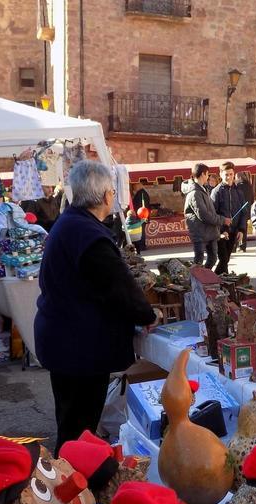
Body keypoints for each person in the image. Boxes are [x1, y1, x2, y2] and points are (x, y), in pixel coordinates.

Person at [35, 160, 158, 448]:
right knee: (79, 428)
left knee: (71, 421)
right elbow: (118, 287)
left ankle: (66, 478)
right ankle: (74, 484)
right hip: (79, 347)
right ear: (106, 196)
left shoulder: (71, 224)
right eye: (112, 193)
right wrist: (146, 314)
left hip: (65, 339)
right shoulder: (87, 234)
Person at [182, 163, 228, 269]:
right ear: (203, 174)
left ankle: (204, 279)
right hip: (200, 233)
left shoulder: (203, 189)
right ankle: (195, 282)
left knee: (213, 258)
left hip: (210, 232)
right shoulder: (194, 193)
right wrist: (222, 220)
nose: (208, 177)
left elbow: (210, 211)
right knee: (198, 262)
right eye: (207, 174)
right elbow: (204, 215)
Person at [211, 161, 250, 275]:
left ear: (234, 174)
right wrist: (222, 229)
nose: (229, 177)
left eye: (231, 174)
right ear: (221, 174)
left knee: (225, 261)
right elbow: (213, 214)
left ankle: (221, 281)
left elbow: (244, 212)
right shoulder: (216, 192)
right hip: (221, 233)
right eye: (226, 174)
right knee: (223, 259)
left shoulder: (239, 191)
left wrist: (242, 230)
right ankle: (216, 281)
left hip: (234, 231)